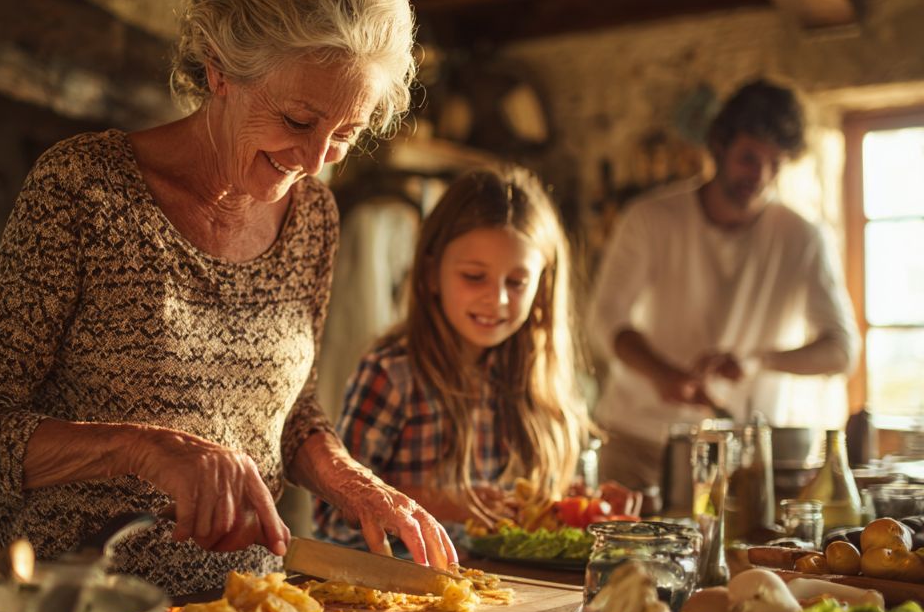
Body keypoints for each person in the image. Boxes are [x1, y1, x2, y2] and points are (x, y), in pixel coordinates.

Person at [0, 0, 456, 596]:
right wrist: (144, 449)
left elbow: (286, 415)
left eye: (347, 133)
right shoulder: (84, 187)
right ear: (219, 70)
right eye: (297, 121)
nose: (315, 160)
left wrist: (350, 478)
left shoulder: (315, 217)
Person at [588, 79, 860, 495]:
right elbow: (605, 318)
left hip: (741, 457)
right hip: (636, 443)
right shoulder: (650, 217)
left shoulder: (803, 236)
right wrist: (661, 373)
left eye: (776, 163)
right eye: (749, 158)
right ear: (718, 143)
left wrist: (757, 360)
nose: (761, 176)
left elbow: (841, 351)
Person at [315, 167, 591, 545]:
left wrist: (584, 507)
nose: (497, 299)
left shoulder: (537, 377)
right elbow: (331, 518)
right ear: (430, 273)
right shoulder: (392, 373)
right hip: (397, 594)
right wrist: (444, 503)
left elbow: (535, 512)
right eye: (474, 276)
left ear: (542, 287)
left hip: (505, 595)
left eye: (517, 282)